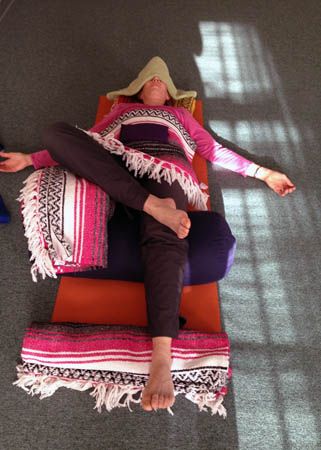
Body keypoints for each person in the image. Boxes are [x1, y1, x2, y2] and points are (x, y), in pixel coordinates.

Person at [0, 57, 295, 413]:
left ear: (170, 95)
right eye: (149, 78)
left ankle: (161, 357)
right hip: (117, 175)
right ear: (137, 90)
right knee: (56, 132)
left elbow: (212, 150)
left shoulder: (181, 118)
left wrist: (263, 173)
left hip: (164, 173)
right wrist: (30, 159)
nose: (156, 80)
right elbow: (87, 143)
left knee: (163, 229)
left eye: (162, 80)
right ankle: (150, 206)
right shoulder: (120, 114)